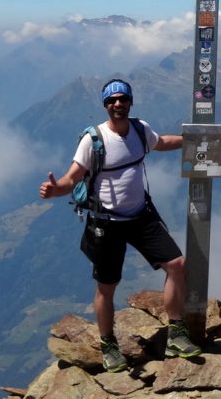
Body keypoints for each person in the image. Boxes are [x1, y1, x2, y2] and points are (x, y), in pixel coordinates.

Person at [39, 78, 202, 372]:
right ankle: (108, 346)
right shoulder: (94, 140)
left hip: (141, 216)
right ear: (105, 105)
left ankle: (176, 334)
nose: (117, 104)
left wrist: (190, 140)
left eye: (122, 99)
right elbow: (72, 177)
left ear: (130, 102)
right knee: (107, 287)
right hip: (107, 223)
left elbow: (161, 142)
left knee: (177, 265)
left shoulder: (140, 130)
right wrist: (55, 190)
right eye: (112, 101)